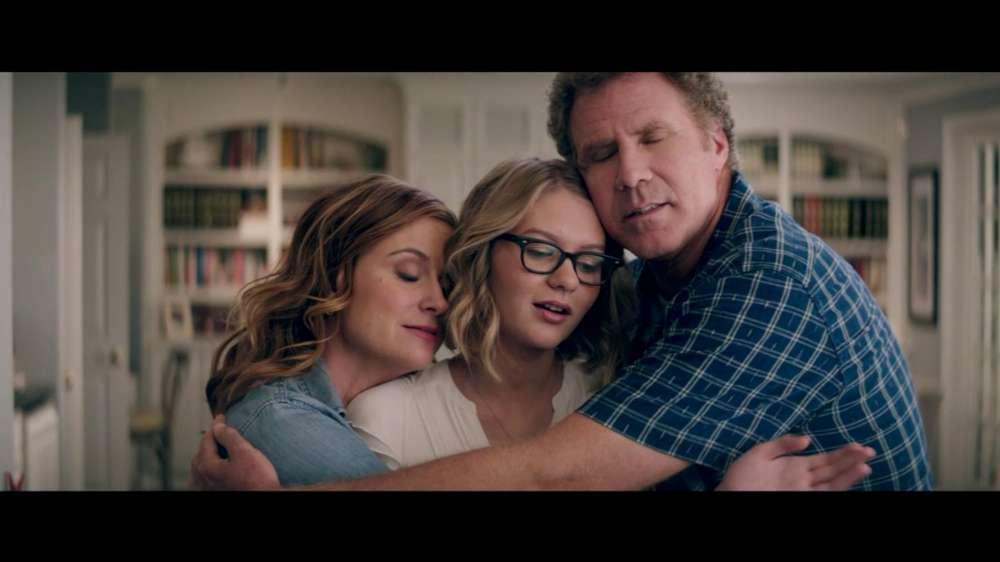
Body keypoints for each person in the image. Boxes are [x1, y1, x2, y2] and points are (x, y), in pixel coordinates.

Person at [197, 69, 927, 490]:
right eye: (602, 153)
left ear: (716, 145)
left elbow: (556, 473)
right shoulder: (654, 286)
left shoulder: (766, 285)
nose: (631, 174)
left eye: (653, 138)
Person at [202, 174, 456, 486]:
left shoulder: (415, 404)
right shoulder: (281, 419)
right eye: (409, 274)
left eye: (446, 284)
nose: (439, 302)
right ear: (335, 276)